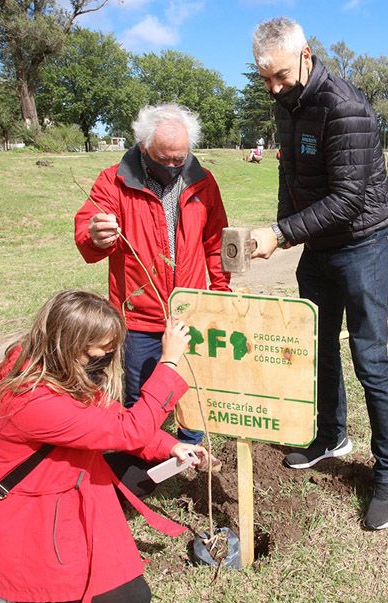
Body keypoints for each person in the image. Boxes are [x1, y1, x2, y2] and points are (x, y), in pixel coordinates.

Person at [0, 290, 217, 603]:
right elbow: (128, 430)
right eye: (101, 349)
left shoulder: (41, 364)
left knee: (141, 468)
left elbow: (108, 420)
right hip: (25, 519)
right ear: (70, 343)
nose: (106, 356)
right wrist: (168, 363)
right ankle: (0, 588)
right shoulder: (34, 400)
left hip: (53, 486)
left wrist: (171, 445)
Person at [246, 17, 388, 530]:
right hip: (317, 245)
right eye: (264, 78)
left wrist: (282, 234)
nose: (272, 88)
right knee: (317, 347)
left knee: (370, 356)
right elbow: (288, 173)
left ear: (306, 55)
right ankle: (331, 435)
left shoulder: (344, 106)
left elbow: (347, 200)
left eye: (279, 75)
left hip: (363, 243)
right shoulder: (286, 105)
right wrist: (281, 225)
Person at [74, 103, 231, 477]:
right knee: (142, 393)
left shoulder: (203, 182)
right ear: (143, 148)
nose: (175, 166)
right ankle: (144, 465)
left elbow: (215, 241)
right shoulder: (113, 181)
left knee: (190, 388)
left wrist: (220, 294)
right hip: (138, 315)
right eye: (166, 159)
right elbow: (88, 237)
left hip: (189, 310)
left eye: (182, 158)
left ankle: (190, 459)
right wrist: (97, 236)